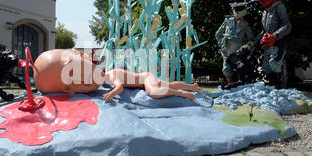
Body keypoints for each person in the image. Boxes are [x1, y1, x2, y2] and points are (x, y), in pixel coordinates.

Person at [34, 49, 201, 102]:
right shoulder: (107, 77)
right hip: (145, 77)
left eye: (70, 71)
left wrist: (113, 93)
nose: (76, 82)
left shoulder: (112, 74)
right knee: (167, 84)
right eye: (67, 88)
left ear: (81, 54)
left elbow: (119, 87)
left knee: (155, 92)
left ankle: (183, 93)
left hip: (145, 79)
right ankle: (191, 86)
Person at [248, 0, 292, 89]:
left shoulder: (279, 7)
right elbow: (264, 31)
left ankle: (278, 86)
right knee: (266, 66)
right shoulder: (265, 12)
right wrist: (253, 42)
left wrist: (275, 36)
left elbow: (287, 25)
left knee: (275, 65)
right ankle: (271, 85)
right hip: (267, 46)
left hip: (277, 44)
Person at [215, 2, 256, 89]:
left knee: (240, 69)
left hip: (238, 52)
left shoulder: (245, 24)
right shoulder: (227, 21)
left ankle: (239, 87)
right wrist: (221, 44)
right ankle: (230, 85)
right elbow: (218, 34)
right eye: (235, 11)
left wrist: (248, 51)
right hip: (226, 50)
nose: (236, 14)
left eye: (238, 12)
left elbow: (251, 40)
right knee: (226, 69)